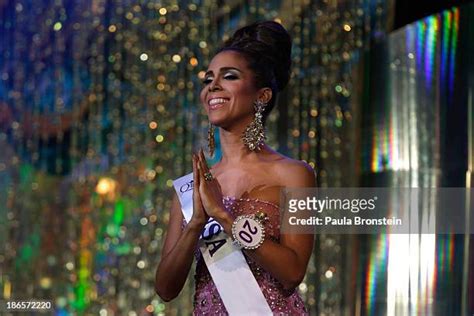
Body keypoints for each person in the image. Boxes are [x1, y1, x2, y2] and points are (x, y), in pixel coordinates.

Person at [155, 21, 315, 315]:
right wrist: (195, 225)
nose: (213, 86)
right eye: (208, 79)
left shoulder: (294, 174)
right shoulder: (193, 187)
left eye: (229, 76)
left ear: (262, 96)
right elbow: (165, 289)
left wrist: (225, 218)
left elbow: (293, 273)